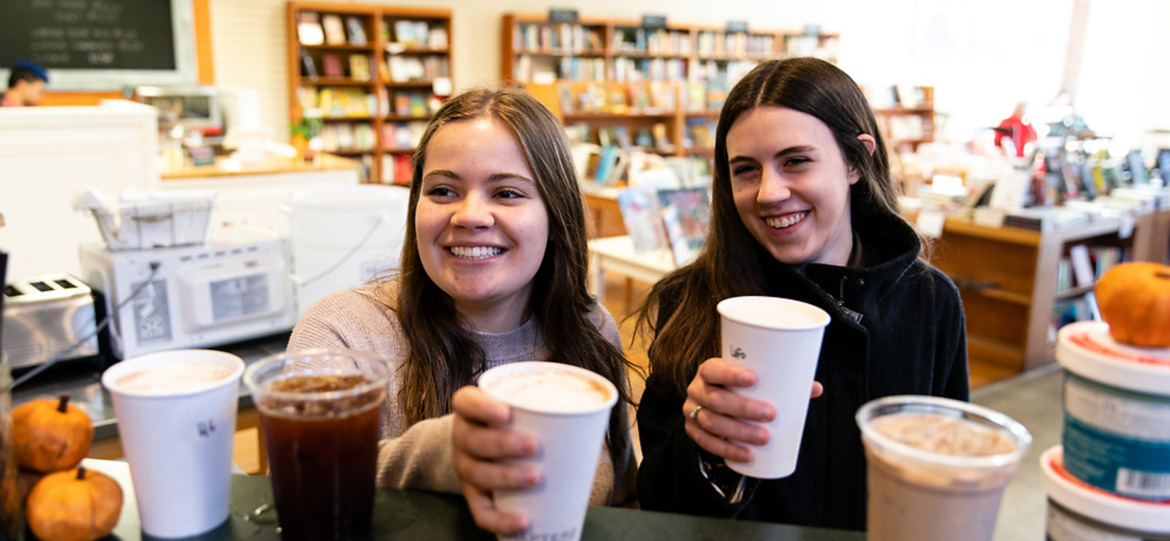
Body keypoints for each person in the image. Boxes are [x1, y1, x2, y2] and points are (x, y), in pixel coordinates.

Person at [635, 57, 969, 531]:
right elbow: (658, 503)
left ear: (856, 160)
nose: (769, 192)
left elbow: (950, 477)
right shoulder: (690, 301)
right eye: (746, 170)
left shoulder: (929, 301)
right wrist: (702, 444)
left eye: (795, 161)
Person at [287, 87, 637, 535]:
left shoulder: (591, 328)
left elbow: (624, 500)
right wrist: (438, 455)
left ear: (556, 215)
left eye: (507, 193)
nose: (470, 215)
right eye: (443, 190)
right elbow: (300, 487)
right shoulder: (342, 333)